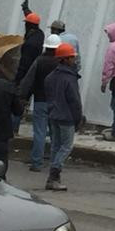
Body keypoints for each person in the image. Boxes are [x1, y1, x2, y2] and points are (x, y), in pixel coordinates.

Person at [17, 33, 62, 171]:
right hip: (56, 103)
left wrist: (22, 95)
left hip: (40, 101)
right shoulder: (61, 63)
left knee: (39, 132)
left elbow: (28, 80)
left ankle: (36, 163)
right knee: (55, 133)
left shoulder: (39, 61)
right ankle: (55, 163)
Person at [44, 42, 84, 192]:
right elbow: (75, 101)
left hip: (53, 115)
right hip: (66, 117)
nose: (74, 60)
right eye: (72, 57)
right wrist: (78, 119)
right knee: (66, 147)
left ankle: (53, 177)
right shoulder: (70, 78)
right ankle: (54, 176)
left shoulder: (50, 77)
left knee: (56, 146)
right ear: (65, 59)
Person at [14, 11, 44, 90]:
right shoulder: (40, 34)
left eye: (26, 24)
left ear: (28, 25)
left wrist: (16, 82)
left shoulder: (30, 44)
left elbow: (24, 65)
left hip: (26, 77)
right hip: (34, 75)